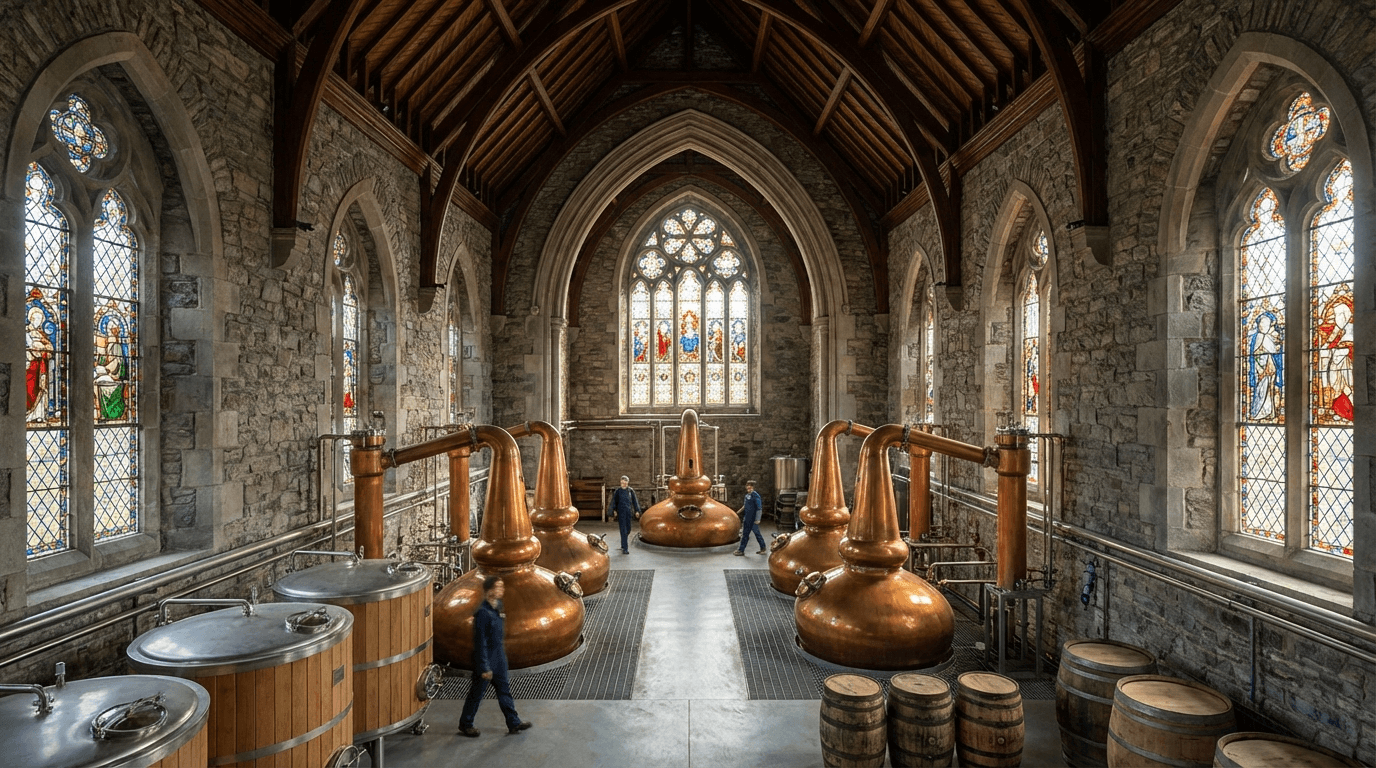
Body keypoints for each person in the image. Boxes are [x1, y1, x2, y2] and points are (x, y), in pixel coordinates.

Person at [457, 576, 532, 737]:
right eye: (498, 587)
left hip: (499, 657)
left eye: (502, 587)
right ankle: (466, 724)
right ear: (489, 590)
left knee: (505, 691)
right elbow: (480, 642)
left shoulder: (498, 606)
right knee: (476, 694)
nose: (501, 590)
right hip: (485, 659)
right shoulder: (482, 613)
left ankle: (514, 722)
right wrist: (484, 667)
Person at [608, 476, 641, 554]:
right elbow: (613, 502)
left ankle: (623, 544)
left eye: (625, 482)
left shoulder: (630, 491)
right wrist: (613, 511)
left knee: (628, 529)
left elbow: (635, 501)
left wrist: (637, 511)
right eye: (622, 482)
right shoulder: (618, 491)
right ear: (620, 482)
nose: (623, 484)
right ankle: (625, 548)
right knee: (623, 530)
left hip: (629, 512)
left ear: (627, 483)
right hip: (621, 513)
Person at [734, 480, 766, 556]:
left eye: (750, 485)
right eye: (747, 485)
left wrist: (758, 519)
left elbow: (759, 508)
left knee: (757, 534)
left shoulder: (756, 495)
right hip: (747, 519)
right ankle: (741, 550)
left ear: (753, 487)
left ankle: (763, 548)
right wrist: (737, 512)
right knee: (745, 535)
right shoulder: (746, 496)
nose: (748, 487)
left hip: (753, 519)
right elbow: (745, 506)